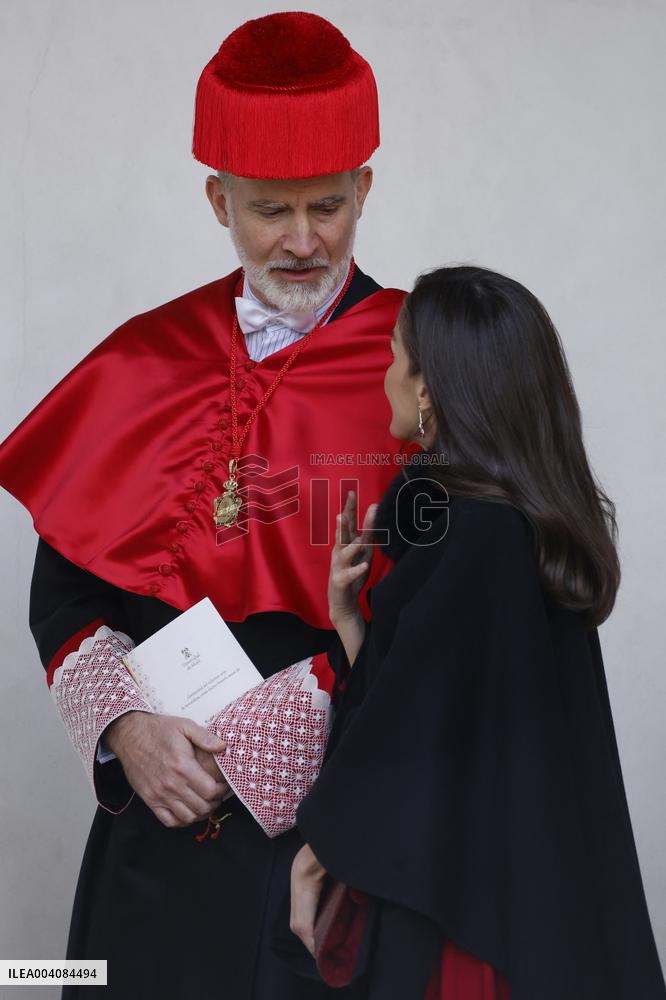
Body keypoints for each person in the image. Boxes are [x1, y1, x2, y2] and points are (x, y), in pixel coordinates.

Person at [0, 12, 421, 998]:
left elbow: (448, 617)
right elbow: (67, 596)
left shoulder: (425, 369)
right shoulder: (143, 358)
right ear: (218, 198)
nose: (304, 240)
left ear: (364, 189)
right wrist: (127, 733)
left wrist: (261, 745)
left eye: (329, 205)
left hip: (336, 832)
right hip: (156, 825)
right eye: (271, 210)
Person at [282, 266, 666, 999]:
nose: (385, 377)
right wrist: (351, 618)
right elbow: (432, 711)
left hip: (468, 927)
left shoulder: (477, 537)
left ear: (428, 388)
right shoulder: (510, 524)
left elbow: (409, 739)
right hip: (512, 902)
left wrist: (318, 849)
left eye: (395, 356)